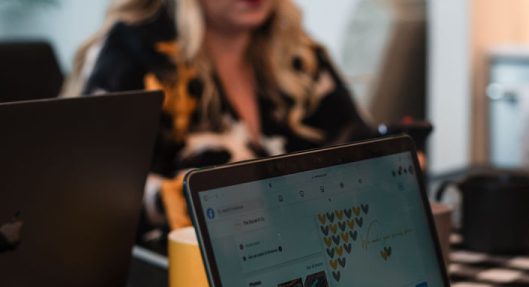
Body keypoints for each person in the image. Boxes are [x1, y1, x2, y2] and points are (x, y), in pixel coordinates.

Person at [65, 0, 374, 235]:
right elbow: (92, 194)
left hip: (296, 263)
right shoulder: (133, 51)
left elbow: (360, 145)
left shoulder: (297, 54)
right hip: (173, 284)